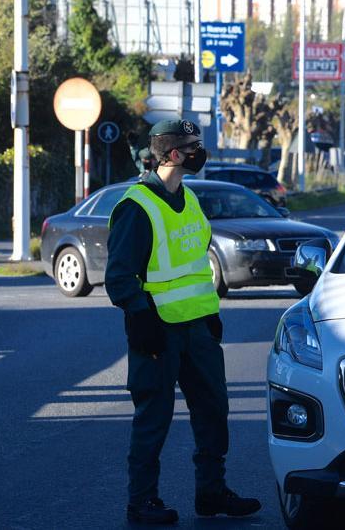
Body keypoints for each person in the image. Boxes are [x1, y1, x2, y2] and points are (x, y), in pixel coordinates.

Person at [105, 120, 261, 525]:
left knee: (213, 411)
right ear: (172, 154)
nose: (199, 152)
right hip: (157, 331)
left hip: (198, 329)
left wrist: (209, 317)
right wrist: (141, 320)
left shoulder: (189, 199)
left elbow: (194, 268)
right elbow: (120, 277)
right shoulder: (136, 207)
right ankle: (142, 502)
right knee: (153, 418)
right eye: (193, 146)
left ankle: (211, 493)